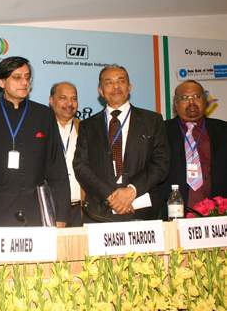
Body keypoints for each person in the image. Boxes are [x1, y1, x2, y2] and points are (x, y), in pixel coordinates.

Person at [0, 56, 70, 226]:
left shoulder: (43, 115)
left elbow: (57, 168)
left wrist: (61, 215)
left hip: (35, 210)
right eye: (17, 77)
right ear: (1, 82)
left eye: (27, 77)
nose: (24, 82)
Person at [74, 64, 169, 222]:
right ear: (100, 90)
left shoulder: (152, 120)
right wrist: (112, 197)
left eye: (121, 81)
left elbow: (161, 163)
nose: (116, 86)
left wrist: (131, 191)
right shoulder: (87, 125)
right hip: (100, 211)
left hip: (142, 210)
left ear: (129, 86)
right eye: (109, 82)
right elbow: (81, 166)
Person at [161, 80, 227, 216]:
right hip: (173, 213)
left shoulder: (223, 130)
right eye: (184, 98)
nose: (191, 102)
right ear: (175, 104)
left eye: (197, 97)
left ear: (205, 101)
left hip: (217, 214)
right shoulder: (161, 131)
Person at [49, 81, 83, 227]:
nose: (70, 103)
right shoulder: (42, 128)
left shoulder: (85, 128)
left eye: (74, 98)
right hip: (50, 209)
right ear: (51, 101)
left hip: (81, 210)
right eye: (63, 98)